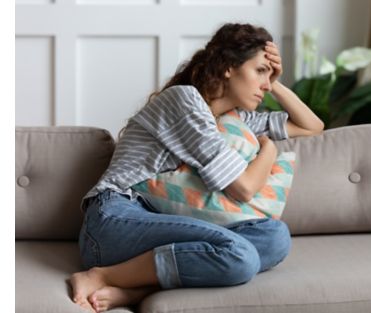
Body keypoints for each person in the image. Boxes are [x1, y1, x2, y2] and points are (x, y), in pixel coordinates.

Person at [70, 23, 324, 313]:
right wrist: (270, 149)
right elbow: (243, 188)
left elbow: (312, 127)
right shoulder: (185, 100)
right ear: (229, 67)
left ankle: (138, 288)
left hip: (161, 221)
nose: (265, 85)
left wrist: (275, 82)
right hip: (115, 220)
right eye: (259, 71)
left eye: (269, 75)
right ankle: (101, 275)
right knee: (240, 256)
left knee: (275, 237)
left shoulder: (233, 119)